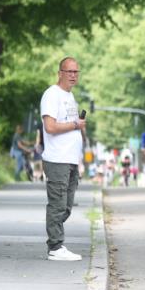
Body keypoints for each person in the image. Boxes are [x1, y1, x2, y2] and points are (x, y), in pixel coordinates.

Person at [40, 57, 86, 261]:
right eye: (69, 71)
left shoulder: (70, 96)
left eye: (76, 72)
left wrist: (79, 129)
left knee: (66, 206)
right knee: (57, 205)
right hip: (57, 159)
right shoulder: (52, 95)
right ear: (60, 73)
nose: (73, 75)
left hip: (70, 159)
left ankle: (56, 243)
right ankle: (55, 247)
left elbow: (71, 125)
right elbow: (50, 127)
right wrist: (76, 125)